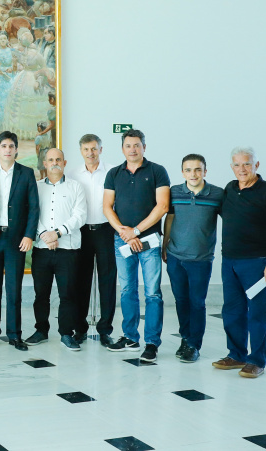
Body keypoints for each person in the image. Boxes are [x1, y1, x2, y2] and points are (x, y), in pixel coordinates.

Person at [213, 147, 266, 378]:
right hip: (230, 261)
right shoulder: (230, 188)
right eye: (237, 164)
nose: (242, 169)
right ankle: (236, 355)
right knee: (232, 311)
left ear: (256, 165)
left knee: (257, 313)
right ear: (232, 166)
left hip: (257, 262)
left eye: (246, 164)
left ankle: (257, 361)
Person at [103, 129, 170, 363]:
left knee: (152, 293)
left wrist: (137, 231)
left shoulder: (157, 171)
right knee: (127, 290)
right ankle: (130, 337)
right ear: (123, 148)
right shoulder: (113, 173)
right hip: (122, 240)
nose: (133, 149)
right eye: (128, 145)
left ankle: (151, 343)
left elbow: (162, 207)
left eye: (137, 145)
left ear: (144, 147)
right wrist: (124, 232)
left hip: (149, 241)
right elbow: (107, 207)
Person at [0, 131, 40, 351]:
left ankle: (15, 335)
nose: (7, 150)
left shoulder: (26, 173)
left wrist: (29, 235)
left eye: (11, 146)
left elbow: (34, 208)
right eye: (3, 146)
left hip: (16, 240)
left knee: (14, 291)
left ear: (16, 149)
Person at [161, 154, 223, 363]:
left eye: (198, 169)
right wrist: (164, 246)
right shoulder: (175, 192)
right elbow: (169, 218)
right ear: (182, 172)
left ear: (205, 171)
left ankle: (194, 344)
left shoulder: (217, 194)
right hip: (176, 256)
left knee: (197, 303)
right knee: (181, 301)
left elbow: (233, 221)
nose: (193, 174)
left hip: (201, 259)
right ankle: (185, 338)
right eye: (188, 170)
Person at [26, 148, 86, 351]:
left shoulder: (75, 187)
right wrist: (46, 235)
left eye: (58, 159)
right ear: (44, 163)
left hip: (67, 250)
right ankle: (41, 330)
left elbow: (79, 216)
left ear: (65, 162)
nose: (54, 163)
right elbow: (32, 214)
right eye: (50, 160)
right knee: (40, 294)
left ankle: (66, 334)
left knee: (67, 294)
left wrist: (57, 233)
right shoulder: (35, 187)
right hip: (42, 250)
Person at [69, 134, 117, 346]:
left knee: (107, 281)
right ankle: (80, 329)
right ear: (81, 151)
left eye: (94, 149)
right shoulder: (72, 174)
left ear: (101, 149)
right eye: (86, 149)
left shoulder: (113, 171)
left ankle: (105, 330)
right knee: (81, 281)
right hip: (82, 232)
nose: (90, 153)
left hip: (106, 230)